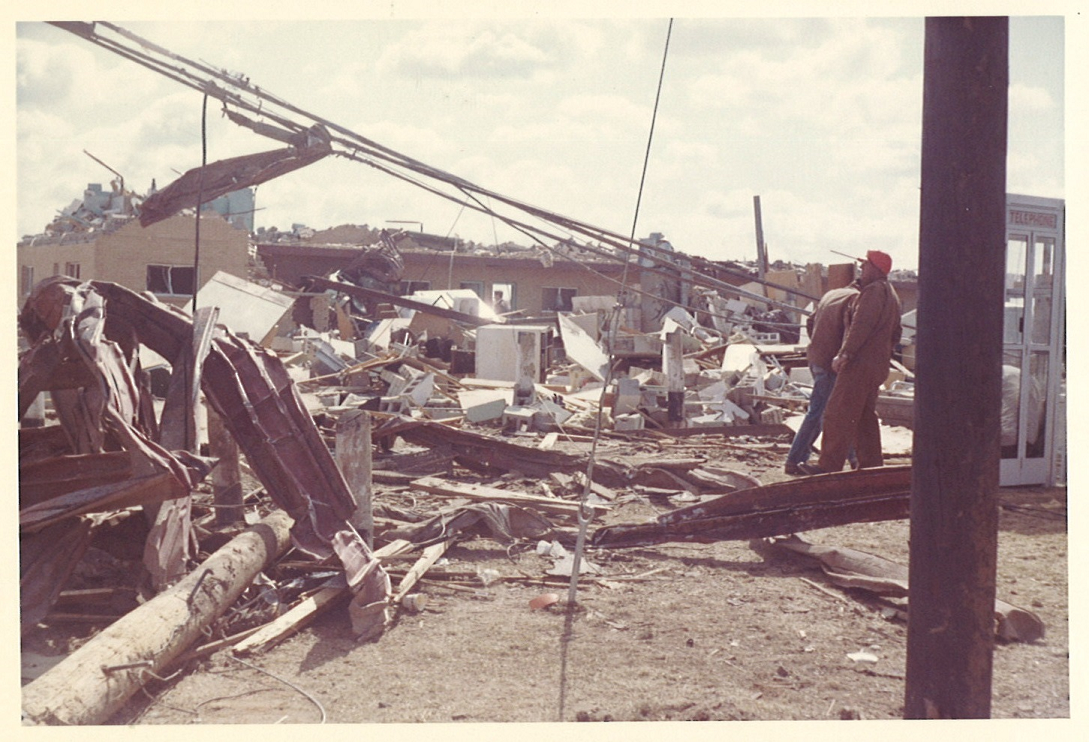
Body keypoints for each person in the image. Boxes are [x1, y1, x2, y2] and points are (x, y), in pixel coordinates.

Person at [799, 250, 902, 474]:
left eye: (865, 266)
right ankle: (871, 466)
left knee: (837, 414)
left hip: (859, 366)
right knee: (865, 418)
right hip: (876, 367)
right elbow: (897, 334)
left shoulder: (873, 292)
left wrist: (845, 353)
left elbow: (860, 325)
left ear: (875, 268)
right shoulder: (891, 295)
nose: (861, 269)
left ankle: (827, 467)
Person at [784, 280, 860, 475]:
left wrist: (820, 344)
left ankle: (854, 457)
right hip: (831, 363)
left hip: (817, 359)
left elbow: (810, 322)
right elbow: (852, 331)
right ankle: (795, 459)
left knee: (835, 411)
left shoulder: (831, 295)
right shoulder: (855, 299)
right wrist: (842, 355)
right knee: (824, 412)